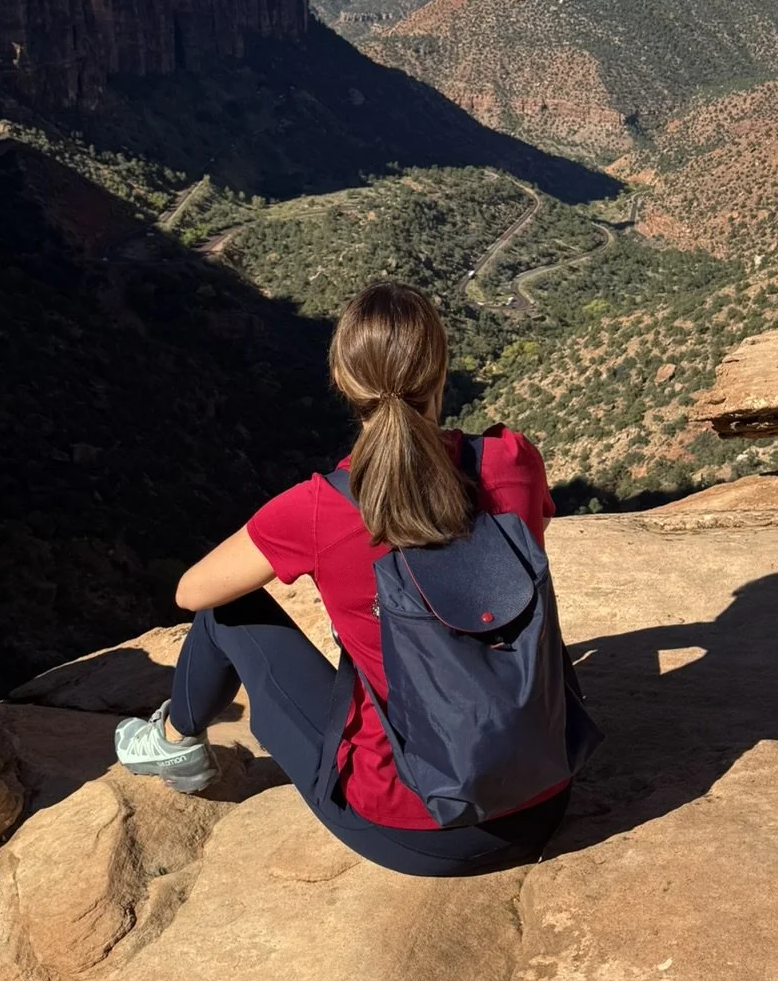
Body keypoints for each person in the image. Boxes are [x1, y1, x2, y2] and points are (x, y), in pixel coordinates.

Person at [114, 281, 574, 876]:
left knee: (227, 611)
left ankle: (174, 744)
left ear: (342, 380)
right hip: (546, 793)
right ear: (441, 370)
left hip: (416, 830)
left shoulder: (321, 509)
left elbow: (192, 591)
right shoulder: (512, 461)